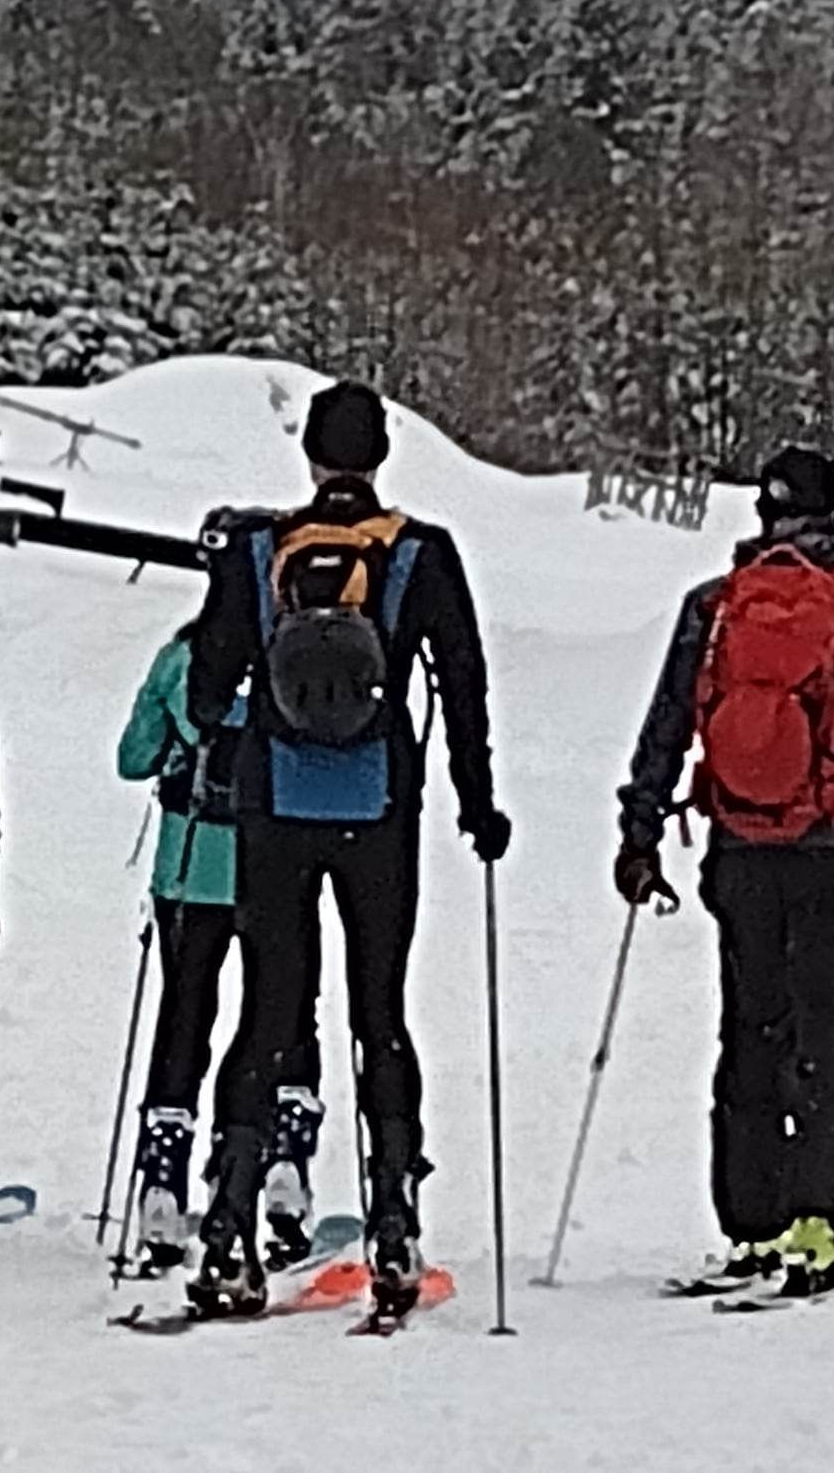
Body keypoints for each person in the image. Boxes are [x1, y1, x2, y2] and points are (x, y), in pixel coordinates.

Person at [185, 380, 509, 1317]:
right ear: (379, 457)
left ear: (313, 456)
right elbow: (465, 688)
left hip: (274, 809)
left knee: (268, 1012)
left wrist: (249, 730)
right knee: (381, 1011)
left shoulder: (256, 553)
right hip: (380, 811)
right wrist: (477, 804)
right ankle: (396, 1221)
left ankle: (227, 1229)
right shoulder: (419, 553)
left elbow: (208, 693)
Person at [616, 445, 834, 1297]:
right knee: (828, 1031)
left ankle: (751, 1226)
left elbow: (667, 724)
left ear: (764, 517)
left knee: (751, 1029)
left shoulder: (716, 608)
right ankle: (818, 1223)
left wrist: (641, 829)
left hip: (743, 847)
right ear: (830, 514)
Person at [116, 617, 324, 1271]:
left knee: (185, 1017)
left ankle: (161, 1181)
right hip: (277, 868)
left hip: (188, 863)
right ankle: (282, 1161)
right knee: (284, 1014)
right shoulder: (288, 653)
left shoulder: (181, 656)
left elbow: (133, 758)